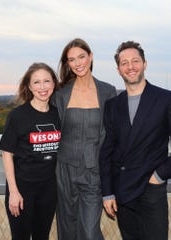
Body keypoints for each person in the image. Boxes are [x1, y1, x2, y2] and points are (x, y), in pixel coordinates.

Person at [99, 41, 171, 240]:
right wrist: (107, 193)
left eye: (135, 61)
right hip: (122, 190)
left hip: (151, 189)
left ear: (145, 64)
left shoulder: (166, 99)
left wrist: (159, 175)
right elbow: (107, 151)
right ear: (118, 69)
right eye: (124, 63)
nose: (130, 66)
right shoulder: (113, 105)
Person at [52, 38, 117, 240]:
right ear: (68, 64)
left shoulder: (108, 92)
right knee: (67, 228)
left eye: (81, 56)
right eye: (72, 59)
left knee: (89, 232)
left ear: (90, 57)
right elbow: (53, 133)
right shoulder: (61, 95)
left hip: (94, 172)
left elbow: (114, 135)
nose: (78, 63)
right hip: (64, 171)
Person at [0, 62, 60, 240]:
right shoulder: (18, 116)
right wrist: (14, 192)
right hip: (22, 188)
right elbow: (6, 153)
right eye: (37, 82)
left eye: (46, 81)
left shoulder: (58, 114)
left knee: (42, 237)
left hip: (49, 189)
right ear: (29, 86)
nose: (42, 87)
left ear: (54, 84)